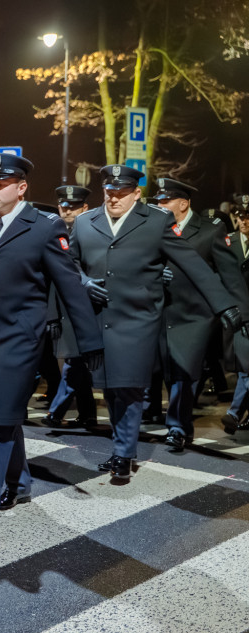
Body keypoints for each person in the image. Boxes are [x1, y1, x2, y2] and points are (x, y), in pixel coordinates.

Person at [0, 153, 103, 526]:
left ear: (21, 188)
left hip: (20, 338)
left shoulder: (44, 227)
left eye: (1, 184)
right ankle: (19, 484)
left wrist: (90, 341)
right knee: (1, 415)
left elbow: (70, 286)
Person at [70, 164, 240, 481]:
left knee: (130, 386)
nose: (114, 197)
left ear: (136, 193)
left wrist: (225, 305)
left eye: (122, 192)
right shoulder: (84, 222)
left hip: (139, 319)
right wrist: (83, 281)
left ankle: (123, 454)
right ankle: (122, 447)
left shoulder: (156, 221)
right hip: (99, 319)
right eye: (109, 191)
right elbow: (68, 262)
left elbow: (193, 263)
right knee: (111, 389)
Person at [151, 178, 249, 451]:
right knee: (168, 373)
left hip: (196, 316)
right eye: (158, 201)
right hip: (160, 311)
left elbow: (230, 275)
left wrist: (242, 313)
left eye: (165, 201)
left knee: (185, 372)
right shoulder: (152, 228)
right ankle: (176, 422)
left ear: (183, 204)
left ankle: (177, 427)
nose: (159, 205)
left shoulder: (209, 230)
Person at [43, 184, 97, 429]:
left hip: (87, 307)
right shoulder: (53, 232)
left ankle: (57, 411)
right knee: (77, 361)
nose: (67, 210)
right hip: (61, 308)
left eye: (73, 207)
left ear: (84, 208)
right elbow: (53, 280)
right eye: (63, 206)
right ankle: (87, 413)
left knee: (75, 361)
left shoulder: (91, 231)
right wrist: (52, 315)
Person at [222, 195, 249, 431]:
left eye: (248, 217)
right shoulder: (228, 242)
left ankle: (235, 412)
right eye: (241, 217)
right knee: (244, 365)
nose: (244, 222)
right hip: (238, 314)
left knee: (246, 367)